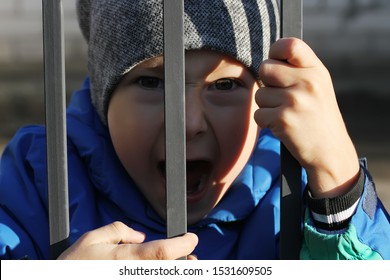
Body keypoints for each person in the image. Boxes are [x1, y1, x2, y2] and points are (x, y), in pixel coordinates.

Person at [0, 0, 389, 260]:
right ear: (104, 100)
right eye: (152, 83)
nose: (187, 124)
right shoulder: (39, 180)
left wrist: (339, 184)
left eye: (224, 86)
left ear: (264, 93)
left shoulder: (300, 182)